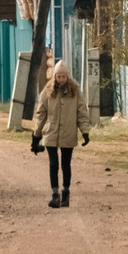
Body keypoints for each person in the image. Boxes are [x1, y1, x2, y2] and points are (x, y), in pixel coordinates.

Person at [31, 59, 88, 207]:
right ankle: (55, 194)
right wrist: (36, 136)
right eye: (58, 76)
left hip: (68, 132)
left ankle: (66, 192)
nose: (61, 79)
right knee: (53, 164)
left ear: (67, 76)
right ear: (55, 76)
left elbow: (82, 113)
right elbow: (41, 114)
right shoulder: (47, 91)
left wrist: (85, 132)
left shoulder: (75, 92)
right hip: (51, 132)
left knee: (65, 164)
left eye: (63, 76)